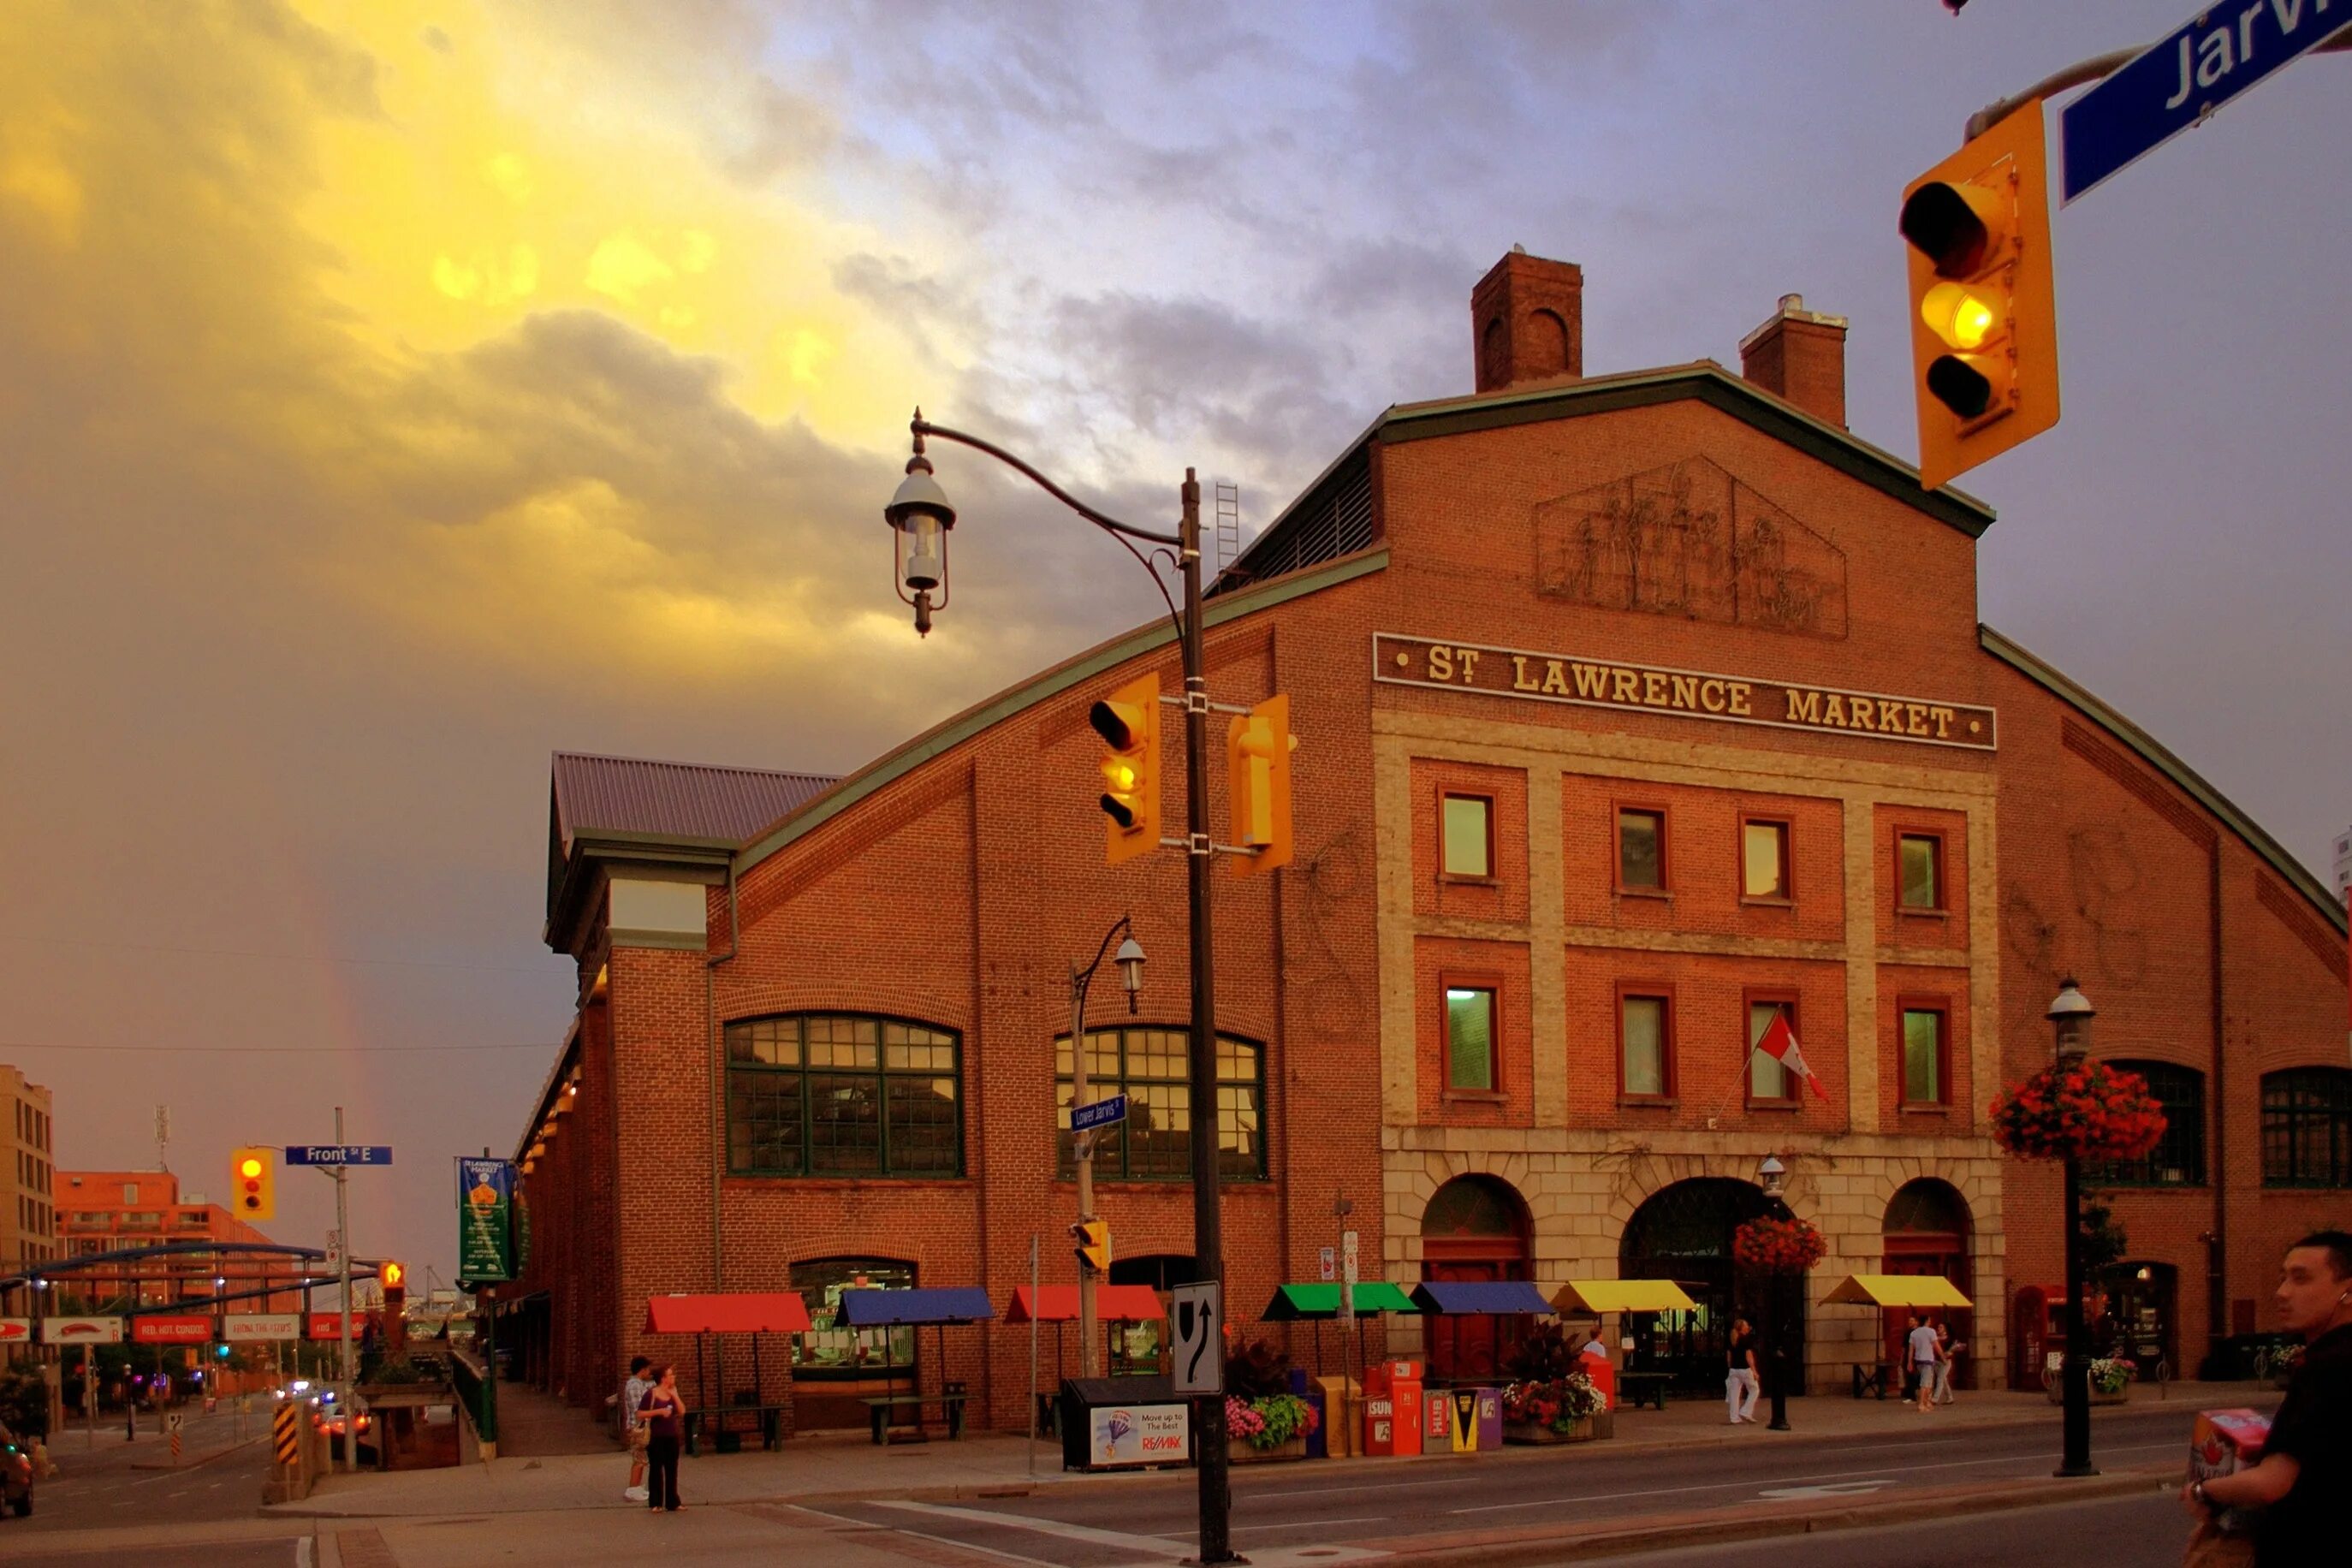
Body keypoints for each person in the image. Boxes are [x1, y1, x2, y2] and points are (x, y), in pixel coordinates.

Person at [2183, 1231, 2352, 1565]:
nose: (2282, 1293)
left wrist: (2202, 1491)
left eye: (2301, 1279)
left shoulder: (2329, 1366)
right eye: (2283, 1278)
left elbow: (2272, 1483)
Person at [638, 1363, 686, 1512]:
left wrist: (675, 1395)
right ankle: (655, 1502)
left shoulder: (673, 1393)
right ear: (663, 1378)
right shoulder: (651, 1394)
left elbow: (682, 1411)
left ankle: (673, 1501)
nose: (673, 1378)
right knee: (656, 1469)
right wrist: (659, 1411)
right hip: (656, 1437)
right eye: (670, 1375)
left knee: (672, 1469)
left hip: (671, 1436)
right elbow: (640, 1413)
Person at [617, 1355, 653, 1503]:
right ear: (642, 1369)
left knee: (641, 1459)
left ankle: (636, 1488)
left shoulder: (638, 1383)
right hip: (638, 1427)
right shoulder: (635, 1385)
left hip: (637, 1426)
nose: (649, 1371)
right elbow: (638, 1408)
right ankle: (632, 1490)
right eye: (647, 1368)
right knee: (639, 1459)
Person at [1725, 1315, 1760, 1424]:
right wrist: (1754, 1371)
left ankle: (1734, 1418)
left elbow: (1729, 1356)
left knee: (1734, 1394)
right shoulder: (1745, 1340)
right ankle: (1746, 1411)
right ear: (1742, 1328)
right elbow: (1748, 1357)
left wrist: (1730, 1367)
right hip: (1745, 1369)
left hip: (1734, 1370)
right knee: (1754, 1389)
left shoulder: (1732, 1340)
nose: (1748, 1327)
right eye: (1746, 1325)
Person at [1905, 1314, 1940, 1413]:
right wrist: (1942, 1356)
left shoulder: (1914, 1333)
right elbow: (1936, 1346)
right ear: (1927, 1321)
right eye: (1929, 1320)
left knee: (1928, 1383)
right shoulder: (1931, 1331)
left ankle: (1926, 1402)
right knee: (1925, 1384)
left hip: (1918, 1361)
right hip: (1928, 1360)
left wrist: (1909, 1362)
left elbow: (1910, 1350)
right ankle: (1921, 1404)